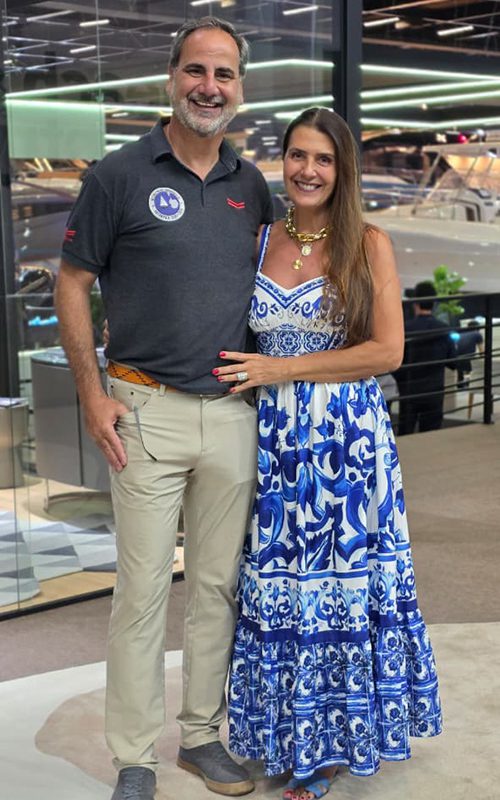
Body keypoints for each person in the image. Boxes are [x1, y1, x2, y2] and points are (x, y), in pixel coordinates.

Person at [55, 17, 273, 800]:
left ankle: (203, 737)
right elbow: (72, 281)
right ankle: (135, 756)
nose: (209, 87)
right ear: (171, 78)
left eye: (224, 74)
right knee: (142, 592)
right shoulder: (117, 176)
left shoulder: (253, 186)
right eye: (196, 71)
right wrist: (91, 393)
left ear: (239, 89)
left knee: (216, 589)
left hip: (233, 415)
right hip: (143, 411)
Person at [212, 108, 442, 800]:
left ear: (343, 170)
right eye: (298, 156)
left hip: (345, 442)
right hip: (276, 442)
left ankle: (331, 750)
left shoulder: (368, 242)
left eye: (324, 159)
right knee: (282, 585)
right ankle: (289, 735)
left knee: (339, 586)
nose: (308, 171)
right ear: (282, 161)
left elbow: (388, 351)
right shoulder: (260, 238)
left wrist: (281, 370)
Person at [396, 281, 457, 435]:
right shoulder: (443, 329)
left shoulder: (405, 328)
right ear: (434, 303)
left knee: (405, 434)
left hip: (409, 390)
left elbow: (396, 360)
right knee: (431, 436)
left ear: (415, 303)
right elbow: (453, 362)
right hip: (434, 391)